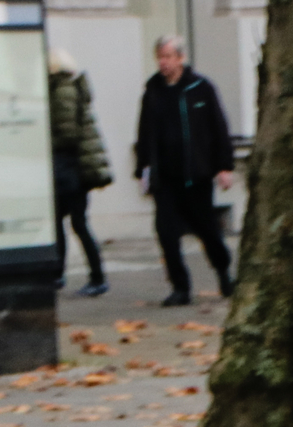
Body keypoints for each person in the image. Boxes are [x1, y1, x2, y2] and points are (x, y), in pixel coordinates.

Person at [134, 35, 235, 307]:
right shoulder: (152, 91)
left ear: (180, 58)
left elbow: (219, 128)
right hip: (165, 177)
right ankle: (180, 287)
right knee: (166, 231)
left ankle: (223, 271)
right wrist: (143, 169)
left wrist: (224, 166)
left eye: (168, 56)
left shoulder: (201, 88)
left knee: (207, 229)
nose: (163, 62)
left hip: (197, 174)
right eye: (160, 57)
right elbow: (144, 134)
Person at [49, 48, 113, 297]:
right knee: (69, 223)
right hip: (74, 168)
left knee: (75, 223)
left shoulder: (62, 90)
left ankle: (95, 277)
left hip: (70, 168)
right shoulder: (66, 87)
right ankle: (65, 274)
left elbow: (67, 133)